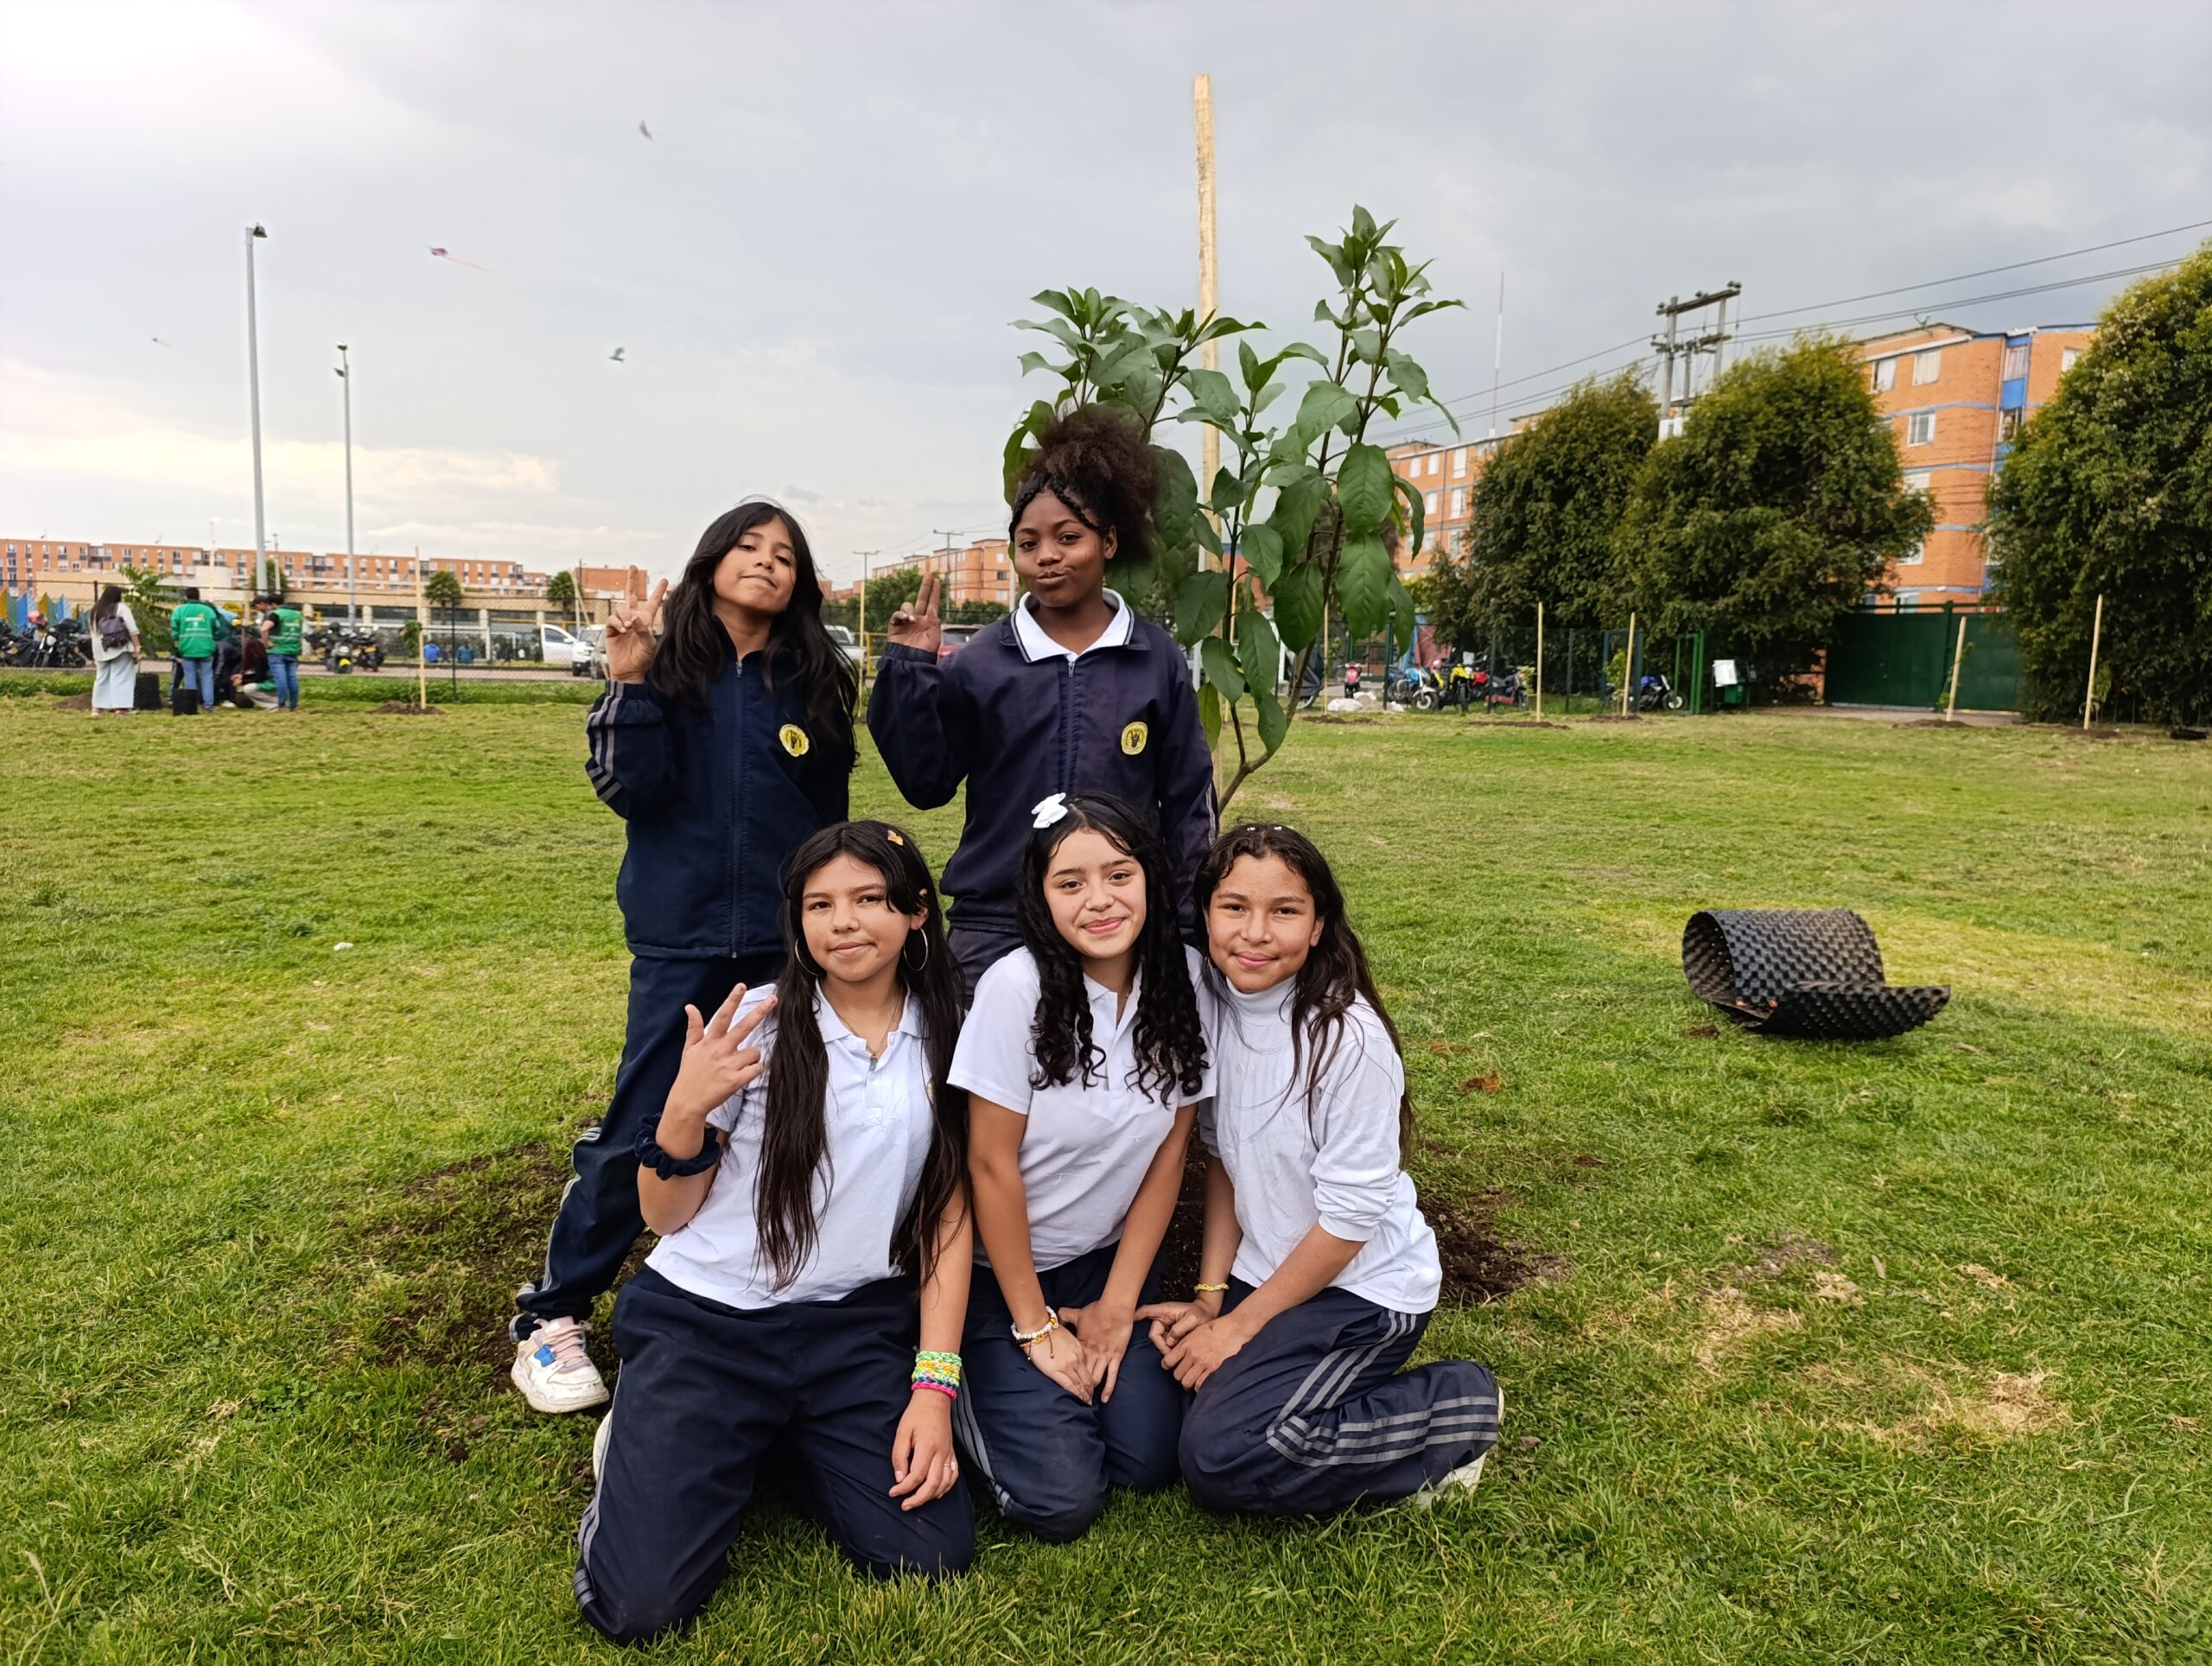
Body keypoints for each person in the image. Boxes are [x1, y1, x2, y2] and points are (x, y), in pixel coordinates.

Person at [575, 822, 973, 1643]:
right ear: (796, 921)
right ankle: (646, 1436)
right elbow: (664, 1216)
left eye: (870, 899)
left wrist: (933, 1390)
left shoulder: (954, 1031)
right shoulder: (755, 1023)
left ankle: (776, 1437)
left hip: (850, 1328)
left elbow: (947, 1215)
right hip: (707, 1323)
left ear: (918, 913)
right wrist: (684, 1108)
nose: (845, 922)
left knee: (930, 1556)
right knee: (640, 1610)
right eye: (819, 904)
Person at [512, 501, 859, 1415]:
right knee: (644, 1122)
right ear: (710, 564)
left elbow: (830, 813)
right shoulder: (664, 670)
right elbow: (631, 789)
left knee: (792, 1120)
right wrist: (628, 683)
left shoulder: (813, 679)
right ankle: (551, 1317)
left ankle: (762, 1280)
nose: (766, 563)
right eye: (748, 546)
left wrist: (833, 915)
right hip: (685, 939)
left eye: (785, 555)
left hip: (790, 947)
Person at [1143, 822, 1502, 1516]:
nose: (1255, 932)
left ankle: (1459, 1404)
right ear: (1206, 915)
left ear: (1317, 926)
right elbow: (1221, 1161)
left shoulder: (1347, 1041)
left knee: (1223, 1456)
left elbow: (1348, 1223)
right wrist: (1212, 1297)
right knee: (1167, 1428)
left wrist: (1238, 1330)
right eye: (1234, 907)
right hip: (1271, 1272)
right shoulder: (1216, 1008)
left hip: (1364, 1290)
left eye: (1284, 911)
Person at [868, 405, 1216, 998]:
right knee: (982, 1086)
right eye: (1028, 544)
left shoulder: (1153, 657)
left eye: (1068, 537)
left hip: (1118, 916)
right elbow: (926, 784)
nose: (1047, 555)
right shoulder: (982, 660)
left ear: (1109, 542)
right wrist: (907, 669)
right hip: (997, 922)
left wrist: (1184, 922)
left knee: (1116, 1080)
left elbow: (1187, 800)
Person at [950, 792, 1210, 1542]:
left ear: (1150, 879)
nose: (1100, 900)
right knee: (1060, 1502)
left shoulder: (1184, 979)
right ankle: (965, 1371)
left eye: (1119, 875)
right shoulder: (1016, 989)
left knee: (1150, 1458)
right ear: (1040, 896)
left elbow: (1170, 1153)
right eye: (1070, 883)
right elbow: (989, 1166)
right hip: (997, 1277)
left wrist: (1118, 1305)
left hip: (1100, 1263)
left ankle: (1048, 1392)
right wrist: (1034, 1327)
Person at [88, 584, 142, 716]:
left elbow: (92, 631)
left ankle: (97, 708)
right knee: (122, 676)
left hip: (100, 648)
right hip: (119, 647)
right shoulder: (121, 608)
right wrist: (137, 647)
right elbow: (132, 629)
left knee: (101, 677)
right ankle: (121, 708)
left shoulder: (95, 610)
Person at [168, 588, 220, 711]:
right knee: (207, 676)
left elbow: (174, 628)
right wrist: (211, 635)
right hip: (206, 647)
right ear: (199, 596)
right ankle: (208, 705)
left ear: (186, 597)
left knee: (190, 676)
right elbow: (216, 626)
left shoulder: (179, 610)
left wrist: (177, 638)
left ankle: (191, 705)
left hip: (187, 648)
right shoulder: (208, 610)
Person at [258, 594, 304, 709]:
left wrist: (267, 643)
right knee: (292, 678)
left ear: (273, 604)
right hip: (293, 650)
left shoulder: (276, 614)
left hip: (277, 651)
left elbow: (264, 629)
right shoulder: (298, 614)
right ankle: (294, 705)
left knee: (280, 678)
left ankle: (282, 704)